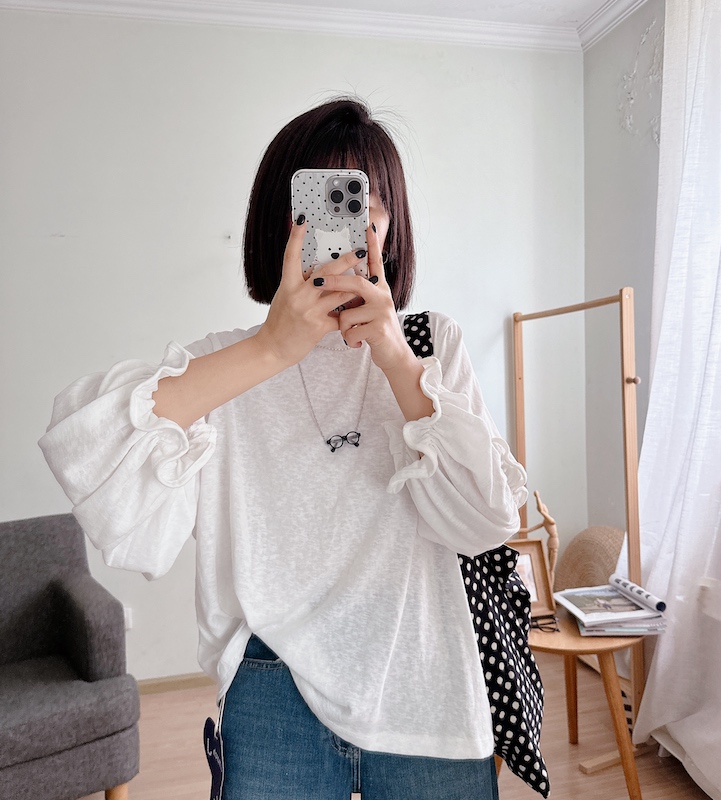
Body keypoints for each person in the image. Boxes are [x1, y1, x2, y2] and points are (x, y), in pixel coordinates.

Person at [39, 97, 528, 800]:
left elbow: (487, 520)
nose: (348, 226)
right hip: (272, 686)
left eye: (367, 206)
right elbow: (86, 450)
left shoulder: (432, 347)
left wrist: (394, 355)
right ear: (282, 220)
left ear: (391, 226)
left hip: (424, 675)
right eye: (323, 205)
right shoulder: (225, 361)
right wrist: (272, 348)